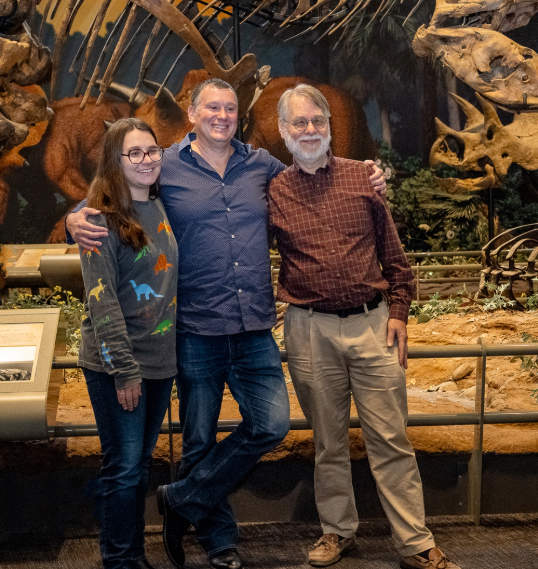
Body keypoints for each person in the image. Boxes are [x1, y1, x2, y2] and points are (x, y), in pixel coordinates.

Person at [66, 78, 386, 569]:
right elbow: (113, 194)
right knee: (197, 439)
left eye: (230, 108)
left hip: (253, 324)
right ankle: (219, 540)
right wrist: (76, 217)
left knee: (271, 424)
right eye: (212, 107)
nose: (221, 116)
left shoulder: (261, 164)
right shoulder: (164, 164)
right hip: (196, 329)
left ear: (241, 115)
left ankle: (183, 499)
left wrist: (370, 174)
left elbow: (312, 172)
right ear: (192, 114)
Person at [268, 84, 462, 569]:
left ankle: (415, 543)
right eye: (299, 122)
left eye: (317, 121)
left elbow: (393, 254)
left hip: (373, 325)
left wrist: (398, 312)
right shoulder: (272, 190)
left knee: (391, 439)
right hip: (308, 330)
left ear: (329, 126)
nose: (309, 130)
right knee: (328, 443)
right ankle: (337, 531)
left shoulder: (363, 177)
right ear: (283, 130)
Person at [77, 118, 178, 569]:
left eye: (152, 151)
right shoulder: (98, 220)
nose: (146, 160)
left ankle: (133, 554)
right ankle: (119, 560)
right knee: (123, 466)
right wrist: (124, 370)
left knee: (137, 465)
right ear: (114, 161)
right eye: (134, 153)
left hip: (158, 362)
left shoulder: (159, 205)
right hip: (118, 365)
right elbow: (102, 302)